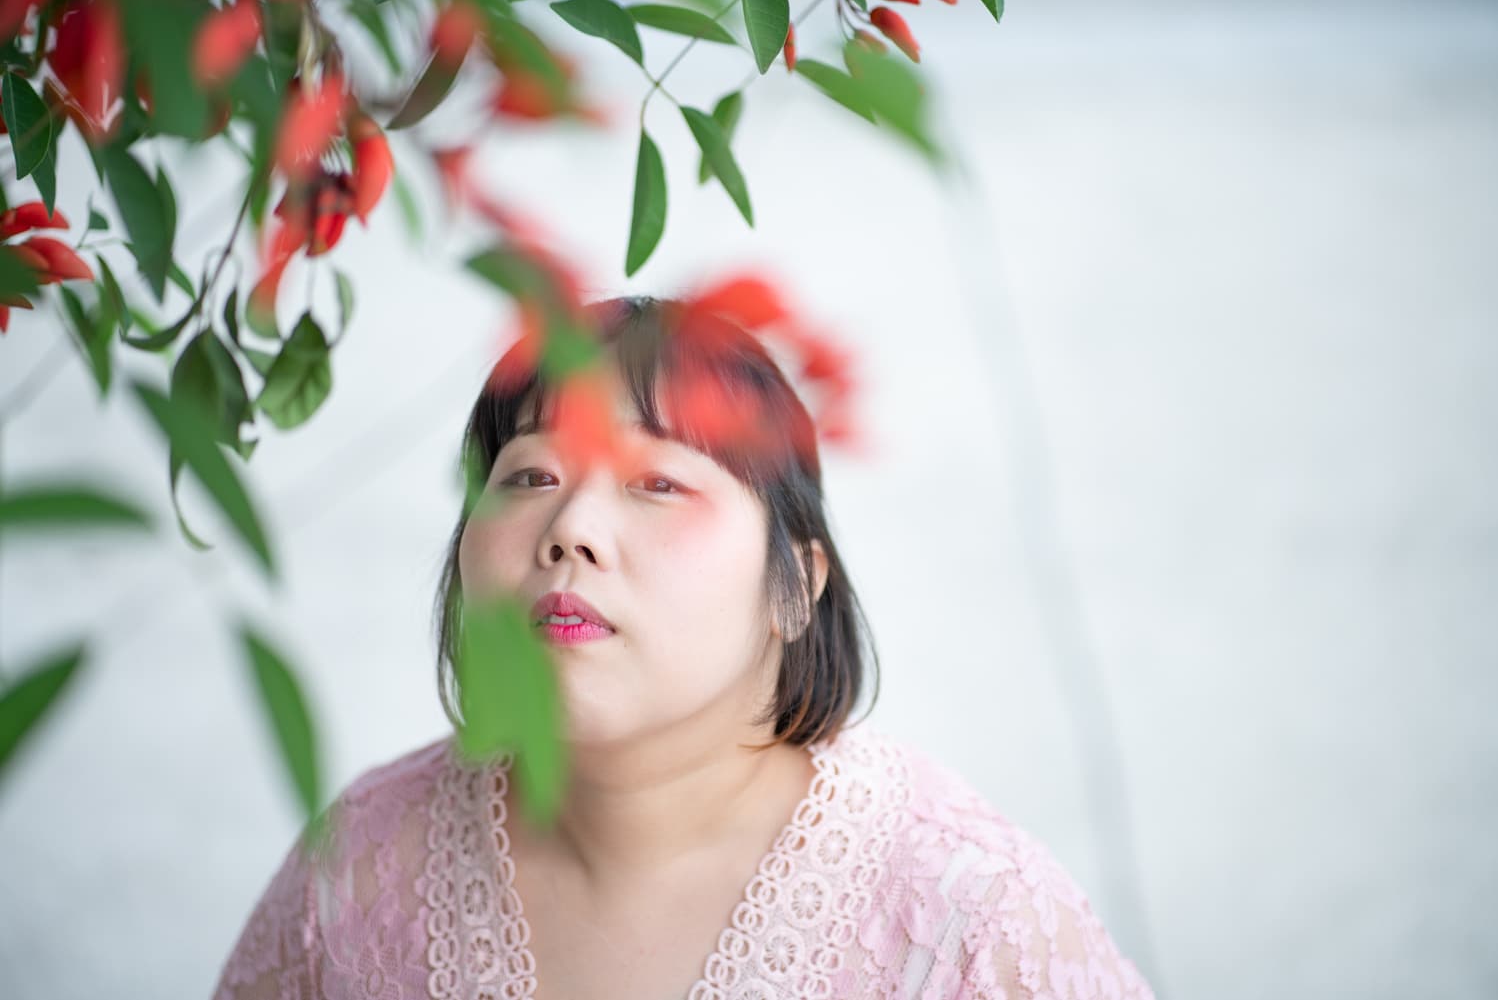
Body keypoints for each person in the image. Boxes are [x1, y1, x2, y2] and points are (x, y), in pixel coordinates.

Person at [212, 295, 1156, 1000]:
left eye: (657, 483)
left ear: (795, 584)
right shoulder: (358, 870)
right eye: (529, 475)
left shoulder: (968, 923)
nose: (571, 529)